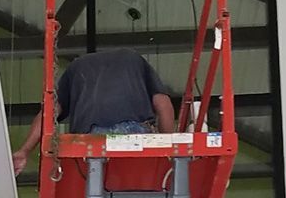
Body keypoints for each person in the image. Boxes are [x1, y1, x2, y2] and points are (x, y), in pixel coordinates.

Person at [12, 47, 176, 176]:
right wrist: (169, 147)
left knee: (95, 192)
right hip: (134, 133)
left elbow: (50, 112)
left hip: (89, 138)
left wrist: (25, 150)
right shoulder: (133, 58)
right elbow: (162, 103)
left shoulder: (76, 66)